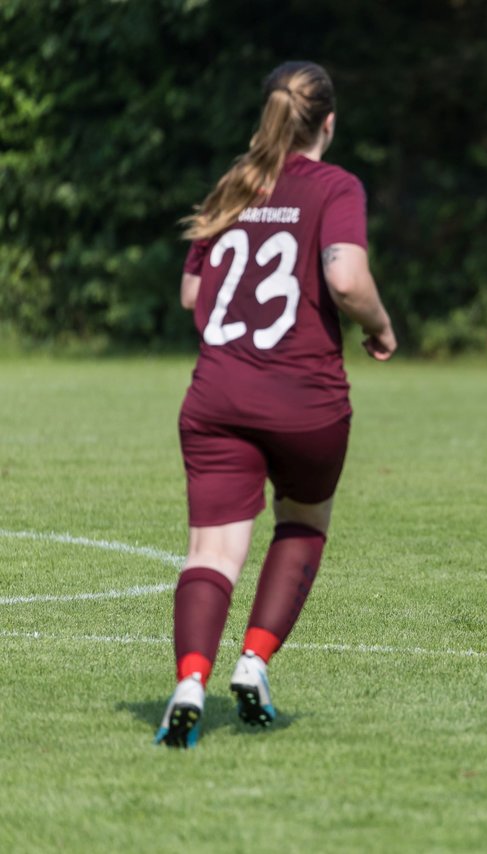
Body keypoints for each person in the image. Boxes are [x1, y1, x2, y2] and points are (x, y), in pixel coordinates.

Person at [155, 61, 396, 748]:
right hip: (304, 400)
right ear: (328, 122)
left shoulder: (235, 184)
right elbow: (346, 279)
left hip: (217, 396)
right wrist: (380, 327)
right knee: (301, 522)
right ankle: (253, 663)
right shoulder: (334, 184)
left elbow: (191, 297)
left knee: (212, 550)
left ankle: (190, 681)